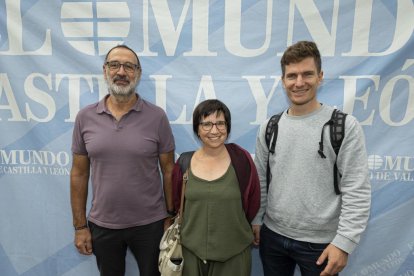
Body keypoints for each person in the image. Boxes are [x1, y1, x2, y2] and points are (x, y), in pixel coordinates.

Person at [252, 41, 371, 276]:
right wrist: (257, 219)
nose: (299, 83)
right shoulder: (269, 127)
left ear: (320, 76)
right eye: (292, 76)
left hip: (322, 245)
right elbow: (261, 180)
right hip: (273, 238)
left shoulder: (344, 126)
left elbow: (357, 189)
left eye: (307, 74)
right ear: (283, 80)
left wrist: (344, 242)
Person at [70, 45, 175, 276]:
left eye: (129, 66)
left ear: (137, 73)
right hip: (103, 224)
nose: (121, 71)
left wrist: (171, 216)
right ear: (105, 70)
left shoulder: (157, 117)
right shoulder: (85, 117)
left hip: (151, 224)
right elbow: (79, 173)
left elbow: (169, 170)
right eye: (114, 65)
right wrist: (80, 227)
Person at [171, 99, 260, 276]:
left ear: (228, 127)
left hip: (234, 256)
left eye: (220, 123)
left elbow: (252, 200)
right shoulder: (184, 164)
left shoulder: (242, 160)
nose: (214, 130)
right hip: (190, 255)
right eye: (206, 124)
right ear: (197, 128)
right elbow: (177, 204)